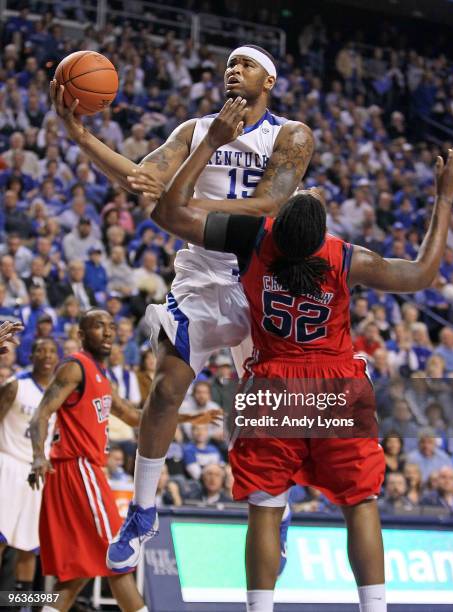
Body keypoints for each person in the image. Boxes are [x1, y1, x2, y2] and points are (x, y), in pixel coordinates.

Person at [142, 98, 453, 612]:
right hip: (337, 385)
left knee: (266, 510)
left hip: (272, 385)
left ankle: (260, 608)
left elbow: (167, 211)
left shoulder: (254, 239)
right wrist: (444, 199)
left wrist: (207, 145)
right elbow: (423, 273)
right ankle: (374, 607)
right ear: (319, 232)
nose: (310, 189)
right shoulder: (343, 256)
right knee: (361, 504)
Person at [50, 45, 313, 572]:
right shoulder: (195, 129)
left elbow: (269, 205)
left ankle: (275, 510)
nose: (233, 70)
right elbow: (142, 178)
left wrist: (185, 205)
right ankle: (143, 511)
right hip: (200, 275)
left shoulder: (290, 134)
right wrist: (81, 135)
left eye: (247, 65)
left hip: (261, 277)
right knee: (168, 384)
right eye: (229, 64)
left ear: (270, 82)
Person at [28, 310, 147, 612]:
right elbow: (40, 414)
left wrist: (184, 415)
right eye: (98, 326)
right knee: (115, 553)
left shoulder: (101, 376)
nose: (108, 332)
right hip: (77, 467)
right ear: (81, 335)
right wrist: (38, 456)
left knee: (79, 569)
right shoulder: (75, 367)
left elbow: (134, 416)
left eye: (110, 326)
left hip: (77, 471)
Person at [0, 338, 58, 596]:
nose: (46, 355)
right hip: (7, 465)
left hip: (36, 474)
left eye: (51, 351)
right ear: (31, 355)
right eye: (40, 350)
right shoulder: (15, 386)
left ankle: (21, 603)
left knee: (29, 544)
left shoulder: (59, 395)